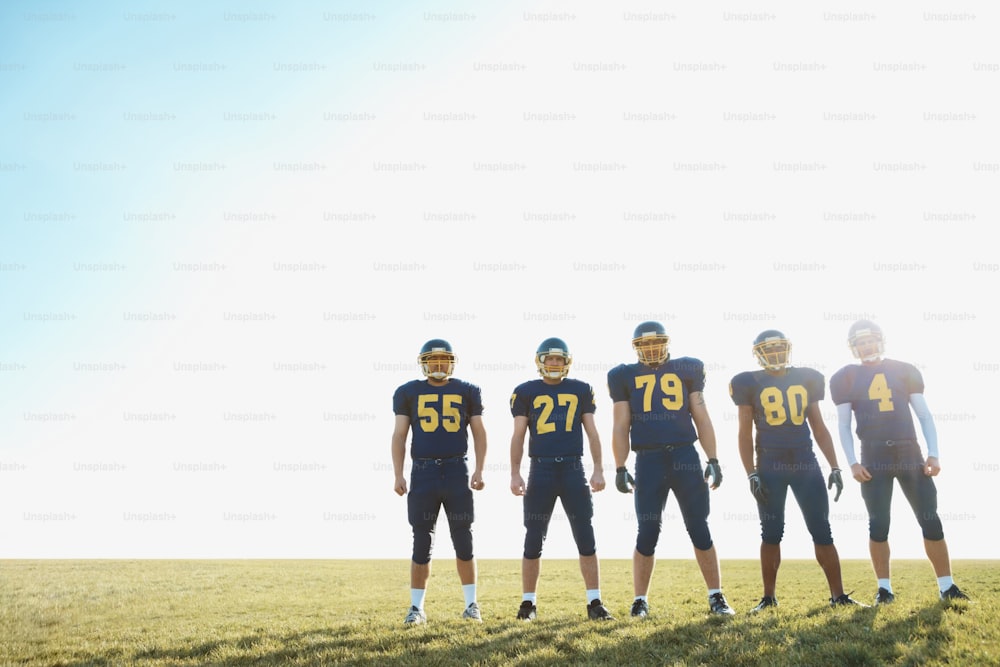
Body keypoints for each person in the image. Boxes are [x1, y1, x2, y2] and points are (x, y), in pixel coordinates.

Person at [831, 320, 971, 605]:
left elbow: (924, 415)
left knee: (930, 519)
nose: (866, 346)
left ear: (879, 340)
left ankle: (947, 586)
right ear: (853, 347)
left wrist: (934, 453)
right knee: (879, 523)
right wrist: (853, 462)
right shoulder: (845, 376)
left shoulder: (904, 369)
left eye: (870, 340)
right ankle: (884, 589)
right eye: (860, 343)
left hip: (909, 452)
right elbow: (843, 425)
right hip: (873, 454)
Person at [731, 330, 864, 611]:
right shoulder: (748, 382)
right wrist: (751, 473)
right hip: (770, 463)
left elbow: (818, 426)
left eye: (780, 348)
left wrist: (835, 466)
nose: (775, 354)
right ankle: (768, 598)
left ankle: (838, 596)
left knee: (822, 530)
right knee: (771, 531)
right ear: (758, 354)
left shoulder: (807, 377)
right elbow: (744, 433)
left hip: (805, 461)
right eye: (769, 349)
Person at [609, 321, 735, 617]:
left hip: (685, 457)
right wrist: (619, 465)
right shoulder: (623, 376)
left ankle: (716, 596)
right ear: (636, 348)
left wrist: (713, 458)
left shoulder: (687, 369)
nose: (652, 349)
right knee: (647, 530)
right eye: (645, 345)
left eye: (656, 343)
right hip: (649, 460)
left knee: (699, 526)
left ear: (666, 343)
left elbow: (701, 415)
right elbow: (620, 425)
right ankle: (640, 599)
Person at [509, 337, 614, 621]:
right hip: (540, 469)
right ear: (540, 361)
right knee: (533, 538)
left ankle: (595, 602)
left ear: (566, 362)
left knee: (585, 535)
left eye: (558, 359)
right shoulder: (525, 391)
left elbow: (592, 432)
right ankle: (528, 604)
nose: (554, 363)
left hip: (572, 469)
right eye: (549, 358)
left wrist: (599, 469)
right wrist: (515, 472)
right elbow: (518, 435)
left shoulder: (580, 389)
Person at [391, 339, 488, 625]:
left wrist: (480, 469)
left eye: (443, 360)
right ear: (424, 363)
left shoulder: (468, 391)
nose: (438, 365)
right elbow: (399, 435)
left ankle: (471, 605)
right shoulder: (407, 392)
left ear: (451, 362)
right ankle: (416, 608)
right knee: (421, 541)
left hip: (457, 469)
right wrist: (398, 473)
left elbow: (480, 432)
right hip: (423, 473)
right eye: (433, 360)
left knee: (463, 538)